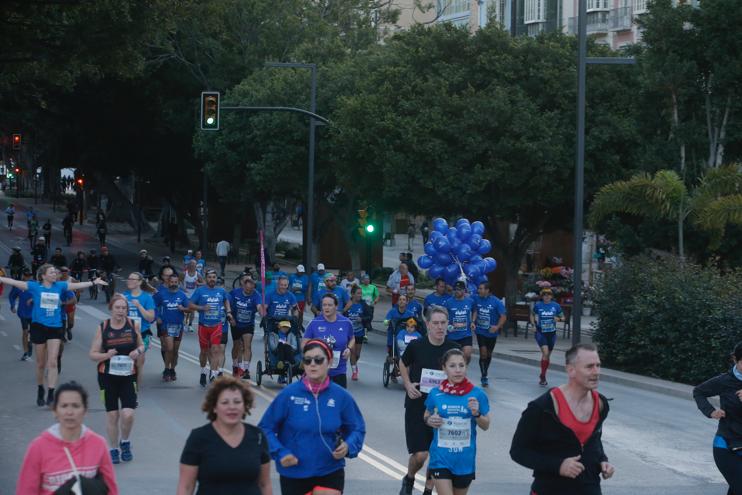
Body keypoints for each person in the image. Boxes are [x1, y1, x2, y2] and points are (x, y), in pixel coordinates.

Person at [259, 339, 366, 495]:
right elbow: (265, 428)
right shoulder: (289, 395)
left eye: (318, 360)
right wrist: (280, 452)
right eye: (307, 361)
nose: (312, 364)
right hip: (294, 472)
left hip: (329, 470)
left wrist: (349, 446)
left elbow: (357, 428)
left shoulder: (341, 396)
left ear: (329, 362)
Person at [510, 343, 615, 495]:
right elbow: (518, 451)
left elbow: (593, 441)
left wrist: (602, 461)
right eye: (589, 366)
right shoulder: (542, 407)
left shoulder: (601, 404)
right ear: (570, 370)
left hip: (590, 488)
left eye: (598, 365)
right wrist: (558, 465)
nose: (596, 372)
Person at [0, 264, 106, 406]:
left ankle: (51, 392)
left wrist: (94, 282)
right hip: (38, 327)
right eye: (51, 272)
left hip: (55, 327)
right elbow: (14, 282)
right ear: (43, 275)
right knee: (40, 363)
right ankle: (40, 389)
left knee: (53, 361)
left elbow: (76, 286)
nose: (54, 274)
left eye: (55, 272)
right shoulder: (34, 286)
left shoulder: (60, 286)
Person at [16, 382, 119, 494]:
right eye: (64, 406)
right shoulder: (38, 447)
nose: (69, 412)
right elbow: (26, 490)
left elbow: (111, 489)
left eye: (76, 406)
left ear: (85, 410)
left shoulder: (98, 444)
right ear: (55, 411)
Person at [398, 306, 459, 495]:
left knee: (436, 455)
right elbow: (402, 363)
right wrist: (408, 385)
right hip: (417, 405)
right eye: (436, 323)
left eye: (443, 323)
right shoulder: (417, 346)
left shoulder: (452, 349)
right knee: (420, 454)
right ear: (427, 324)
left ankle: (427, 490)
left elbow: (459, 374)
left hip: (442, 409)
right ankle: (409, 478)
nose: (440, 327)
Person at [178, 376, 272, 494]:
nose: (232, 407)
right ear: (214, 407)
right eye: (225, 402)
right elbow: (186, 486)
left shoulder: (257, 436)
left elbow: (264, 484)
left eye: (237, 402)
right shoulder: (198, 438)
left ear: (245, 406)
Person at [424, 348, 490, 495]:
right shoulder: (435, 393)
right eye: (452, 366)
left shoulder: (477, 394)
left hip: (464, 461)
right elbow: (426, 415)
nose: (458, 370)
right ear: (444, 369)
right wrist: (430, 420)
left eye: (461, 365)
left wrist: (477, 414)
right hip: (440, 458)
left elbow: (486, 425)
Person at [89, 294, 145, 464]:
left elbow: (142, 344)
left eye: (124, 308)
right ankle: (113, 448)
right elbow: (92, 354)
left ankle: (125, 442)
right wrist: (107, 354)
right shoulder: (103, 327)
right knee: (112, 415)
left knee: (128, 414)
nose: (121, 311)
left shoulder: (133, 324)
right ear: (111, 309)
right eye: (118, 308)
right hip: (107, 377)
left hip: (128, 376)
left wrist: (138, 351)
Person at [693, 341, 742, 494]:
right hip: (727, 446)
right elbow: (699, 391)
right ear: (735, 359)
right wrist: (710, 411)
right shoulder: (724, 381)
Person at [189, 269, 233, 387]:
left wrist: (228, 311)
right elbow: (190, 304)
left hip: (216, 326)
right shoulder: (200, 291)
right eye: (210, 277)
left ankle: (213, 374)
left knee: (215, 350)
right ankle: (203, 371)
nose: (212, 279)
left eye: (214, 277)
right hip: (204, 326)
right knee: (204, 352)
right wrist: (202, 308)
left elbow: (226, 300)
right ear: (206, 278)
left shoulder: (221, 291)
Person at [303, 293, 354, 388]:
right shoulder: (314, 323)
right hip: (318, 372)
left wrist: (349, 349)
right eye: (324, 305)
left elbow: (352, 338)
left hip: (339, 371)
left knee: (339, 401)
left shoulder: (346, 322)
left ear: (336, 306)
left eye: (330, 305)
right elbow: (304, 345)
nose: (326, 308)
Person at [154, 272, 189, 382]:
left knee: (175, 351)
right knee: (169, 348)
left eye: (175, 282)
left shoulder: (182, 295)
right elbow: (153, 305)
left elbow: (189, 308)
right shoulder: (161, 294)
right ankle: (166, 369)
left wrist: (183, 309)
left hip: (178, 326)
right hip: (166, 325)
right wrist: (157, 317)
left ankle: (172, 369)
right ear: (168, 282)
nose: (173, 284)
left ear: (178, 283)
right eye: (171, 282)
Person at [123, 272, 156, 381]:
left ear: (140, 282)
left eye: (133, 279)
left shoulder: (147, 298)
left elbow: (151, 318)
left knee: (138, 362)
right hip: (126, 334)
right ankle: (126, 385)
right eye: (129, 278)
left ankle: (134, 390)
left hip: (142, 334)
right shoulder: (124, 296)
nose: (130, 281)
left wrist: (139, 306)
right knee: (128, 362)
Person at [229, 275, 263, 379]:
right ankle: (236, 365)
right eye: (247, 289)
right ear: (243, 286)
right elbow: (227, 303)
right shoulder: (235, 292)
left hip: (248, 324)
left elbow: (258, 306)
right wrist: (230, 316)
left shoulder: (256, 295)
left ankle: (246, 369)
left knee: (247, 346)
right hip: (236, 323)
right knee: (237, 346)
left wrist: (262, 313)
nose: (249, 291)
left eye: (251, 289)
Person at [472, 282, 506, 387]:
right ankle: (484, 375)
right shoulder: (476, 299)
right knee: (483, 353)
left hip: (492, 333)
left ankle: (485, 371)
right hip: (480, 331)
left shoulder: (496, 302)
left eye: (481, 289)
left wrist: (497, 327)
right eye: (479, 288)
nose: (479, 290)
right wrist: (473, 321)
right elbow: (475, 310)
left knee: (489, 354)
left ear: (487, 290)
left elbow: (503, 316)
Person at [530, 287, 565, 386]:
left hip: (551, 333)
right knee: (545, 353)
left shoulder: (556, 306)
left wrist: (558, 319)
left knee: (547, 356)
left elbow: (563, 317)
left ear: (551, 296)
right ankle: (543, 376)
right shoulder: (538, 305)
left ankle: (542, 374)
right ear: (542, 296)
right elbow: (532, 315)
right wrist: (533, 325)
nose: (546, 296)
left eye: (548, 295)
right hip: (541, 332)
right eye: (544, 295)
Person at [443, 281, 475, 363]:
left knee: (467, 354)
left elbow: (475, 311)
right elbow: (443, 315)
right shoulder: (448, 302)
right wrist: (446, 325)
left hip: (466, 334)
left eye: (459, 289)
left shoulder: (470, 301)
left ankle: (463, 369)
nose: (457, 291)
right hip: (452, 335)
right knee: (451, 357)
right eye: (455, 289)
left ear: (464, 290)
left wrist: (473, 321)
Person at [344, 285, 370, 381]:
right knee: (353, 351)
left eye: (361, 293)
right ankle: (354, 372)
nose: (360, 295)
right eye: (358, 293)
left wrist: (362, 319)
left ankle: (353, 362)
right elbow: (340, 314)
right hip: (349, 333)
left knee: (357, 354)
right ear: (352, 294)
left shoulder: (363, 305)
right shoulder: (347, 303)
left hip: (359, 332)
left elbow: (369, 316)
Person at [9, 270, 34, 361]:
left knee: (33, 333)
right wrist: (12, 306)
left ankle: (30, 342)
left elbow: (41, 295)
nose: (28, 277)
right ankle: (26, 352)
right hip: (23, 313)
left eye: (29, 275)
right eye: (26, 275)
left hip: (34, 313)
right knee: (25, 332)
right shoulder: (18, 285)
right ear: (23, 275)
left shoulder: (35, 285)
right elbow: (11, 296)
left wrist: (32, 299)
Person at [182, 259, 204, 331]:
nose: (192, 266)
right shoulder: (184, 273)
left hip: (193, 295)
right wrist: (182, 288)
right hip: (185, 295)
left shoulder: (197, 274)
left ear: (196, 266)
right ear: (189, 265)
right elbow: (178, 281)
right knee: (185, 311)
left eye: (194, 265)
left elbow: (204, 283)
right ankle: (184, 324)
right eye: (191, 264)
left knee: (192, 311)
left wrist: (198, 284)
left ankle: (190, 325)